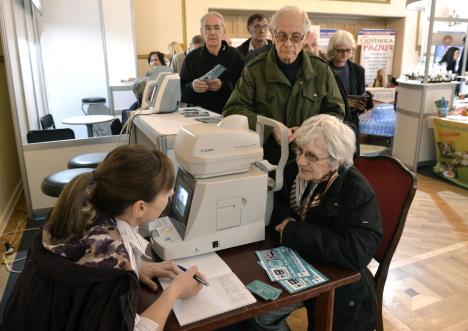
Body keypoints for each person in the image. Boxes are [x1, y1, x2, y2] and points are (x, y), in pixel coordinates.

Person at [0, 145, 204, 331]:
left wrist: (138, 267)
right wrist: (175, 290)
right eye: (167, 193)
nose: (173, 192)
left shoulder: (79, 205)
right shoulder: (114, 274)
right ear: (140, 207)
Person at [250, 114, 382, 331]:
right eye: (299, 151)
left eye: (311, 156)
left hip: (341, 284)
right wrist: (286, 222)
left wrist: (293, 230)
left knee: (260, 317)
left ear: (336, 159)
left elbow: (357, 252)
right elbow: (276, 202)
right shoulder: (295, 170)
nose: (301, 160)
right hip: (301, 261)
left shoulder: (356, 191)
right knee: (256, 315)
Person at [223, 6, 345, 164]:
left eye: (295, 37)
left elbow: (336, 113)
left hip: (310, 160)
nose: (288, 43)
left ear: (305, 36)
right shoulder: (255, 70)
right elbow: (232, 111)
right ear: (273, 35)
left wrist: (309, 130)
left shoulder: (321, 71)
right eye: (282, 36)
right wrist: (270, 127)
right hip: (265, 162)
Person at [180, 11, 244, 114]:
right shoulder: (191, 58)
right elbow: (181, 93)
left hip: (228, 114)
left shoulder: (236, 55)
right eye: (208, 28)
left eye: (217, 28)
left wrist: (223, 86)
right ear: (202, 32)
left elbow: (244, 89)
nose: (212, 32)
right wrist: (192, 87)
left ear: (223, 31)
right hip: (198, 115)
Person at [326, 30, 371, 155]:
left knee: (351, 158)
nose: (344, 54)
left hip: (351, 121)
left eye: (348, 50)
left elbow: (360, 95)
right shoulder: (324, 68)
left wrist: (362, 106)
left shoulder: (358, 70)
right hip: (331, 121)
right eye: (340, 50)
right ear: (332, 50)